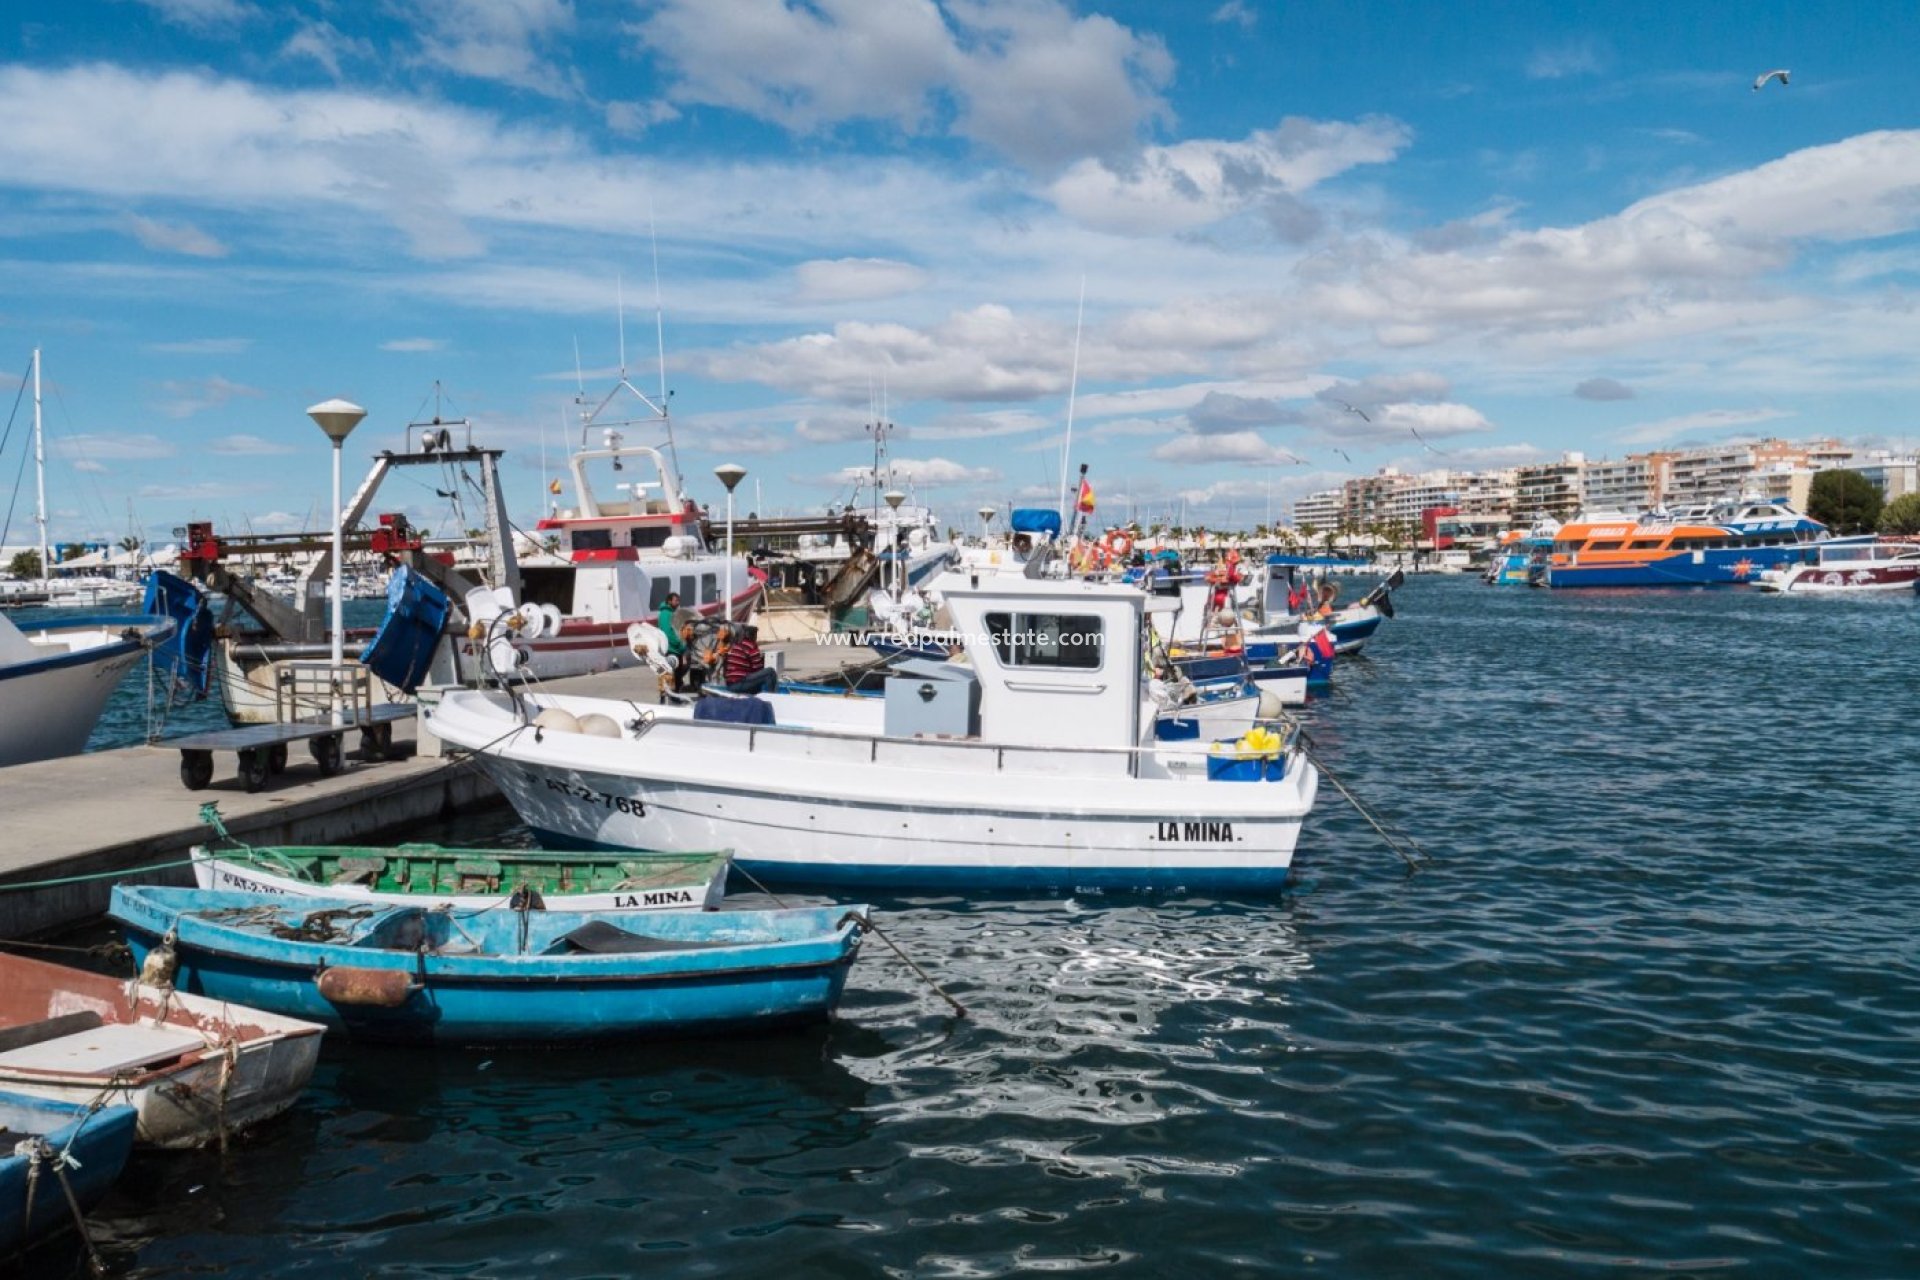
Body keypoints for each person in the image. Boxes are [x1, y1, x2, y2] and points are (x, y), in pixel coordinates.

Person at [717, 623, 777, 695]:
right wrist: (762, 661)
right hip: (740, 684)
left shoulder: (736, 645)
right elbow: (757, 668)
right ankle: (771, 698)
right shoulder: (751, 646)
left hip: (730, 685)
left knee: (758, 681)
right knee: (770, 672)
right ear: (753, 636)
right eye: (755, 635)